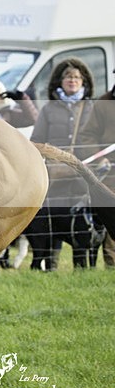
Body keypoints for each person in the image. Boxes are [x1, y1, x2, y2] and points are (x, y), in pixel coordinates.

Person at [26, 58, 97, 270]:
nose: (72, 80)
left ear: (83, 81)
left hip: (84, 178)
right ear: (60, 81)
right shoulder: (49, 109)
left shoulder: (92, 107)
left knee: (82, 224)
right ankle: (52, 266)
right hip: (56, 178)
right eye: (68, 77)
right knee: (54, 220)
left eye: (76, 77)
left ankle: (82, 269)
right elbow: (37, 140)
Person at [77, 81, 115, 269]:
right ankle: (112, 265)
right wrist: (100, 157)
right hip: (111, 172)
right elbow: (87, 136)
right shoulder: (103, 103)